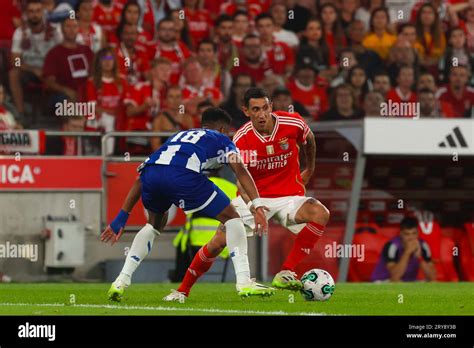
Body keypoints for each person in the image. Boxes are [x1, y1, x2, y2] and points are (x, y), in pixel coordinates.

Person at [163, 87, 330, 302]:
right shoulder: (241, 139)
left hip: (290, 195)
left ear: (271, 107)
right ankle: (182, 290)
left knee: (320, 213)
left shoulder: (292, 123)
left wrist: (310, 168)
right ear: (246, 111)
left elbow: (310, 139)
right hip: (254, 197)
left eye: (265, 108)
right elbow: (241, 179)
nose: (262, 114)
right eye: (256, 109)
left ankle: (285, 272)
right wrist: (255, 206)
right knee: (217, 243)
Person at [101, 107, 275, 301]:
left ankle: (121, 281)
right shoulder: (222, 139)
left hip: (152, 175)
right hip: (183, 175)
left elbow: (141, 178)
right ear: (223, 129)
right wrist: (257, 204)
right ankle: (244, 282)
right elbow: (240, 170)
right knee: (233, 218)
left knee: (155, 224)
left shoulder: (178, 136)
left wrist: (121, 217)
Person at [170, 170, 236, 282]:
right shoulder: (232, 187)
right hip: (224, 242)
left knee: (181, 240)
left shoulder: (198, 186)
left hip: (197, 241)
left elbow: (189, 213)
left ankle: (179, 277)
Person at [9, 0, 60, 117]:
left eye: (38, 11)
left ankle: (58, 114)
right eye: (31, 11)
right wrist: (33, 70)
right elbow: (15, 61)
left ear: (43, 13)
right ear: (26, 14)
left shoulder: (54, 31)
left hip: (50, 71)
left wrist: (49, 71)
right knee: (13, 74)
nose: (34, 14)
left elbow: (61, 56)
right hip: (29, 71)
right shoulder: (20, 32)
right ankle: (20, 114)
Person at [43, 17, 93, 105]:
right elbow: (49, 82)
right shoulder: (54, 53)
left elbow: (97, 73)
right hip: (64, 95)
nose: (72, 30)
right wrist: (66, 90)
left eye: (75, 26)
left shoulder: (87, 50)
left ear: (79, 29)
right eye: (68, 26)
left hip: (87, 92)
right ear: (62, 29)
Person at [371, 216, 436, 282]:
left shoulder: (423, 245)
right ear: (401, 234)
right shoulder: (392, 246)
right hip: (383, 281)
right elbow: (395, 277)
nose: (411, 238)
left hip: (408, 282)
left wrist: (419, 258)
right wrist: (407, 252)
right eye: (407, 234)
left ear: (418, 233)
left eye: (414, 233)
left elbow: (432, 278)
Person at [150, 85, 194, 150]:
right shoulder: (159, 120)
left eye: (178, 97)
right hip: (165, 157)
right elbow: (155, 146)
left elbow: (193, 143)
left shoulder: (188, 119)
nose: (175, 100)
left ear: (182, 99)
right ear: (165, 100)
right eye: (171, 97)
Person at [152, 17, 192, 85]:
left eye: (170, 30)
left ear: (175, 32)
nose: (167, 32)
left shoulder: (182, 48)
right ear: (158, 31)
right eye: (164, 29)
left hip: (178, 90)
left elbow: (190, 71)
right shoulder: (150, 48)